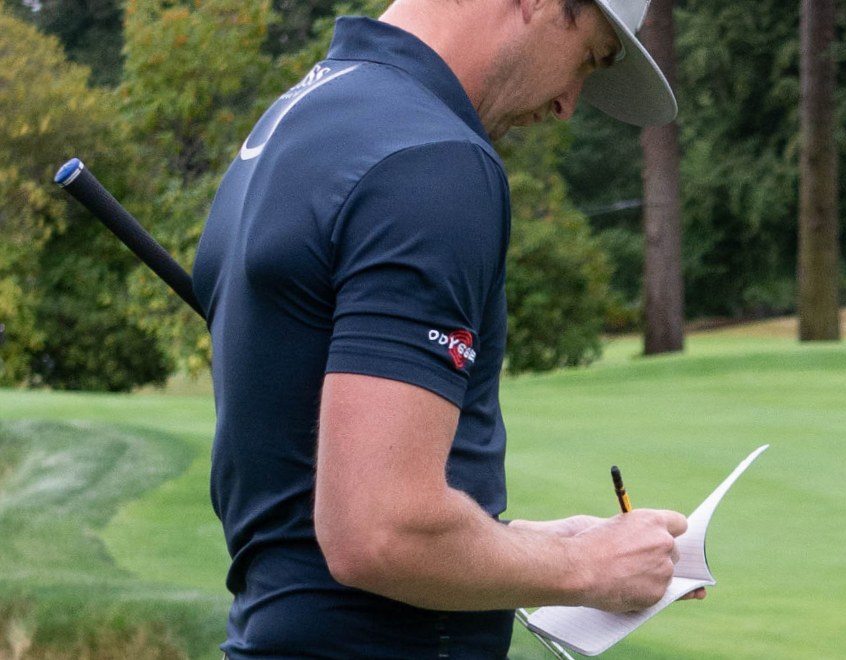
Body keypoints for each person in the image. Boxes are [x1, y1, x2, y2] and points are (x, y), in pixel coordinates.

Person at [191, 0, 694, 656]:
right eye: (588, 59)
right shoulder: (431, 160)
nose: (569, 103)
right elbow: (379, 531)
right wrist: (586, 570)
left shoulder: (303, 115)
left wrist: (546, 545)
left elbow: (320, 507)